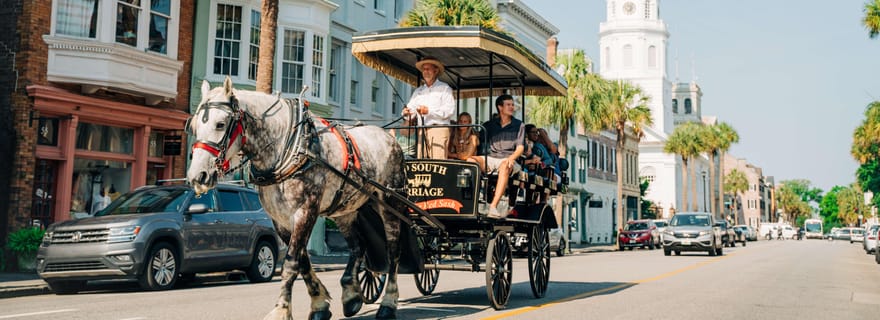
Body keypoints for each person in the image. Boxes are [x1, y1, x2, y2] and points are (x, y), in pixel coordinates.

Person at [468, 94, 524, 218]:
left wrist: (511, 159)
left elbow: (520, 147)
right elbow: (478, 141)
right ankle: (471, 202)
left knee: (505, 165)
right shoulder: (489, 125)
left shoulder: (519, 125)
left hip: (509, 159)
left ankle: (493, 206)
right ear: (500, 107)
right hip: (491, 158)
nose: (511, 107)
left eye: (512, 105)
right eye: (508, 105)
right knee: (470, 161)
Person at [402, 56, 455, 159]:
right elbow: (411, 109)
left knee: (437, 164)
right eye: (424, 69)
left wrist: (428, 111)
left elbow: (449, 111)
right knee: (422, 163)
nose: (425, 72)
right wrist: (406, 112)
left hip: (438, 129)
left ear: (435, 71)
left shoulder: (444, 88)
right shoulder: (418, 91)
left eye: (428, 69)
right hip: (422, 130)